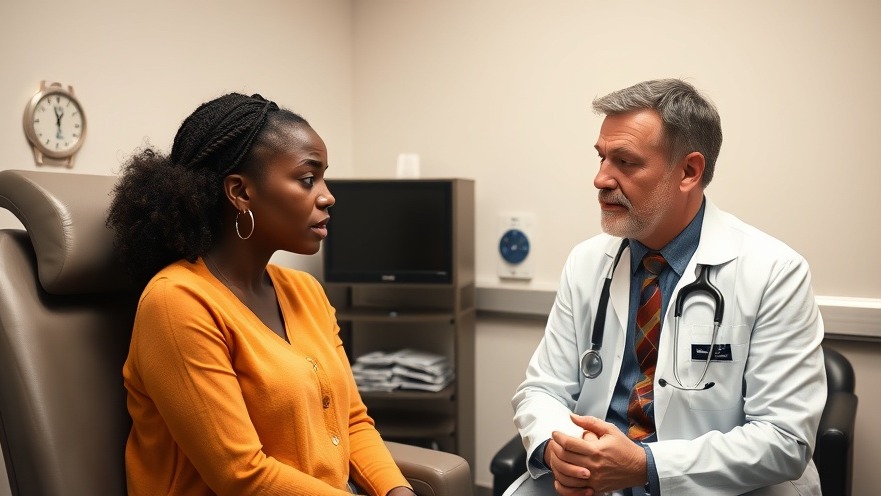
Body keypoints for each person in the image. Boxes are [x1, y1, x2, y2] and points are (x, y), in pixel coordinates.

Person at [505, 79, 826, 496]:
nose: (601, 179)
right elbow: (541, 389)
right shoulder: (586, 262)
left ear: (689, 172)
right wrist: (558, 449)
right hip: (593, 483)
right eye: (602, 158)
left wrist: (646, 466)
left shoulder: (774, 272)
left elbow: (784, 440)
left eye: (625, 162)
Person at [107, 92, 416, 496]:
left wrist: (397, 491)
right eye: (307, 179)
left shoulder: (306, 291)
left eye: (323, 178)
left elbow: (352, 423)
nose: (328, 196)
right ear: (240, 192)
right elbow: (241, 476)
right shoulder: (177, 302)